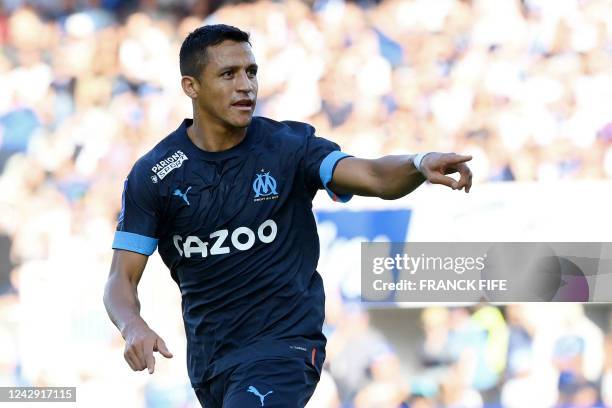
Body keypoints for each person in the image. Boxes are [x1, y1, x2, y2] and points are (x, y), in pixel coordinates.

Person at [102, 24, 473, 408]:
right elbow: (120, 279)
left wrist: (417, 162)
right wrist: (134, 327)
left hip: (285, 349)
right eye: (228, 74)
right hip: (211, 363)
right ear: (191, 86)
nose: (246, 85)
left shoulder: (289, 147)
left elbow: (374, 175)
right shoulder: (155, 175)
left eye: (251, 71)